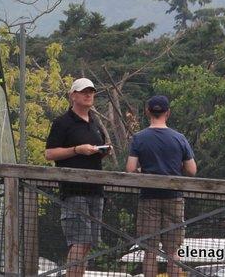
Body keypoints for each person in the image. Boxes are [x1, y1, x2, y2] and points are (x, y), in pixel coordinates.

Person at [45, 77, 110, 277]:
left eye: (91, 91)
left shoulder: (95, 122)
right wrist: (76, 150)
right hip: (73, 190)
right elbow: (49, 154)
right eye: (83, 91)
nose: (88, 95)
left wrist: (103, 151)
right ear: (73, 95)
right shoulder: (62, 123)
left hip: (96, 190)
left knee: (89, 243)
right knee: (79, 242)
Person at [126, 95, 197, 277]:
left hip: (149, 197)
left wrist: (144, 171)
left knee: (150, 250)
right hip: (174, 197)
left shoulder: (139, 138)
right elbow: (191, 170)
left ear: (147, 111)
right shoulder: (179, 138)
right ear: (168, 113)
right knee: (173, 251)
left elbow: (130, 168)